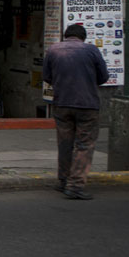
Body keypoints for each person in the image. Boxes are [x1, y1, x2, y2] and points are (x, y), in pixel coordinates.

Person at [42, 23, 109, 200]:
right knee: (84, 144)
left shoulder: (53, 50)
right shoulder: (91, 50)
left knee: (65, 143)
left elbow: (46, 76)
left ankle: (63, 180)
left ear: (66, 35)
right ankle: (76, 185)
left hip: (62, 103)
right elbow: (103, 77)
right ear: (83, 37)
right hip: (87, 104)